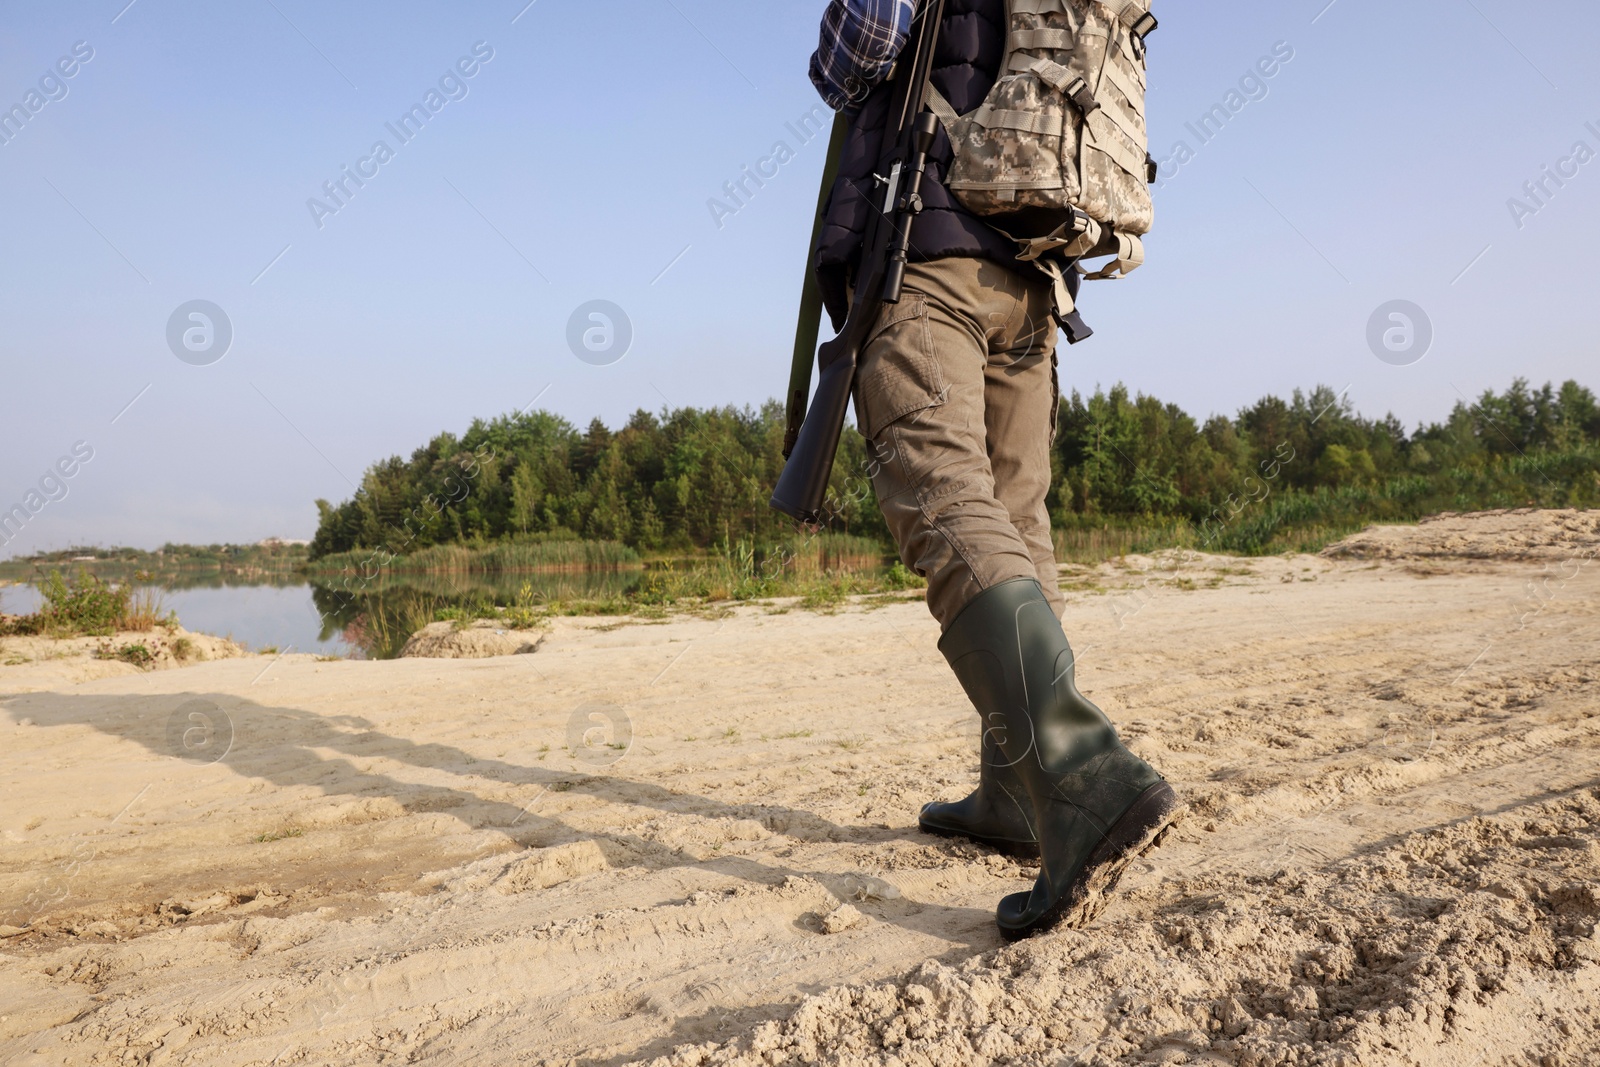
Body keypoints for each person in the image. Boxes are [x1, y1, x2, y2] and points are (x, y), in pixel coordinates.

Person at [808, 0, 1178, 940]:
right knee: (1016, 520)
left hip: (928, 253)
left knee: (947, 503)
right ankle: (1015, 794)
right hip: (1033, 274)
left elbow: (861, 49)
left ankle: (1082, 776)